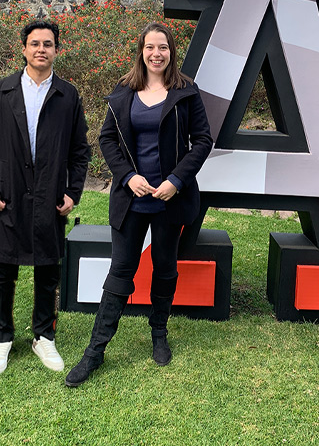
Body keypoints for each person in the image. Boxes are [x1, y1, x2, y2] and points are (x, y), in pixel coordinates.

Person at [65, 22, 213, 387]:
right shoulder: (124, 91)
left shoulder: (186, 91)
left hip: (169, 202)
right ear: (141, 51)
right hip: (131, 202)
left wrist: (175, 181)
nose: (156, 54)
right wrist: (128, 176)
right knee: (120, 272)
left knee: (164, 269)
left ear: (171, 52)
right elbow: (107, 139)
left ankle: (158, 333)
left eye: (163, 47)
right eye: (150, 47)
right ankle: (94, 353)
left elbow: (203, 140)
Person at [0, 19, 91, 375]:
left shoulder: (68, 96)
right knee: (3, 269)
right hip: (8, 196)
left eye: (48, 44)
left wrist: (73, 193)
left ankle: (44, 336)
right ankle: (1, 340)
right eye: (35, 43)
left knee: (47, 270)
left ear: (57, 50)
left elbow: (79, 151)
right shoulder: (4, 91)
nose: (42, 49)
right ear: (24, 49)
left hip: (50, 196)